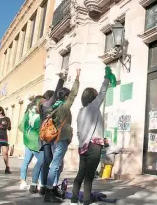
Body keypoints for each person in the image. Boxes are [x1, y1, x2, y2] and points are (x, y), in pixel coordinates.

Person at [71, 68, 113, 205]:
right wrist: (106, 78)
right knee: (89, 176)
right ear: (93, 98)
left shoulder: (80, 112)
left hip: (83, 146)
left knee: (81, 174)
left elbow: (79, 132)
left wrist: (84, 141)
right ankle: (86, 201)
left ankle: (74, 199)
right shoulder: (93, 107)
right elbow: (102, 93)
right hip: (94, 146)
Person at [44, 68, 81, 203]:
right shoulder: (64, 107)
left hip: (54, 139)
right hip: (61, 139)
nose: (69, 97)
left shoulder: (54, 106)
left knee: (57, 164)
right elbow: (74, 94)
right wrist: (77, 78)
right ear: (65, 97)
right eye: (68, 96)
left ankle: (53, 188)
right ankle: (48, 192)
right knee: (55, 165)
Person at [39, 72, 66, 196]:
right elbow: (56, 93)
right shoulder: (48, 104)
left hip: (45, 138)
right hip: (52, 137)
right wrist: (61, 80)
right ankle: (51, 187)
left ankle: (43, 186)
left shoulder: (43, 106)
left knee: (47, 162)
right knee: (55, 163)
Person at [19, 95, 46, 193]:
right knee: (41, 161)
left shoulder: (28, 111)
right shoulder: (40, 114)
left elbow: (22, 125)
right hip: (35, 141)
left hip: (27, 139)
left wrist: (27, 135)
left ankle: (22, 181)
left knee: (26, 160)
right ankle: (39, 183)